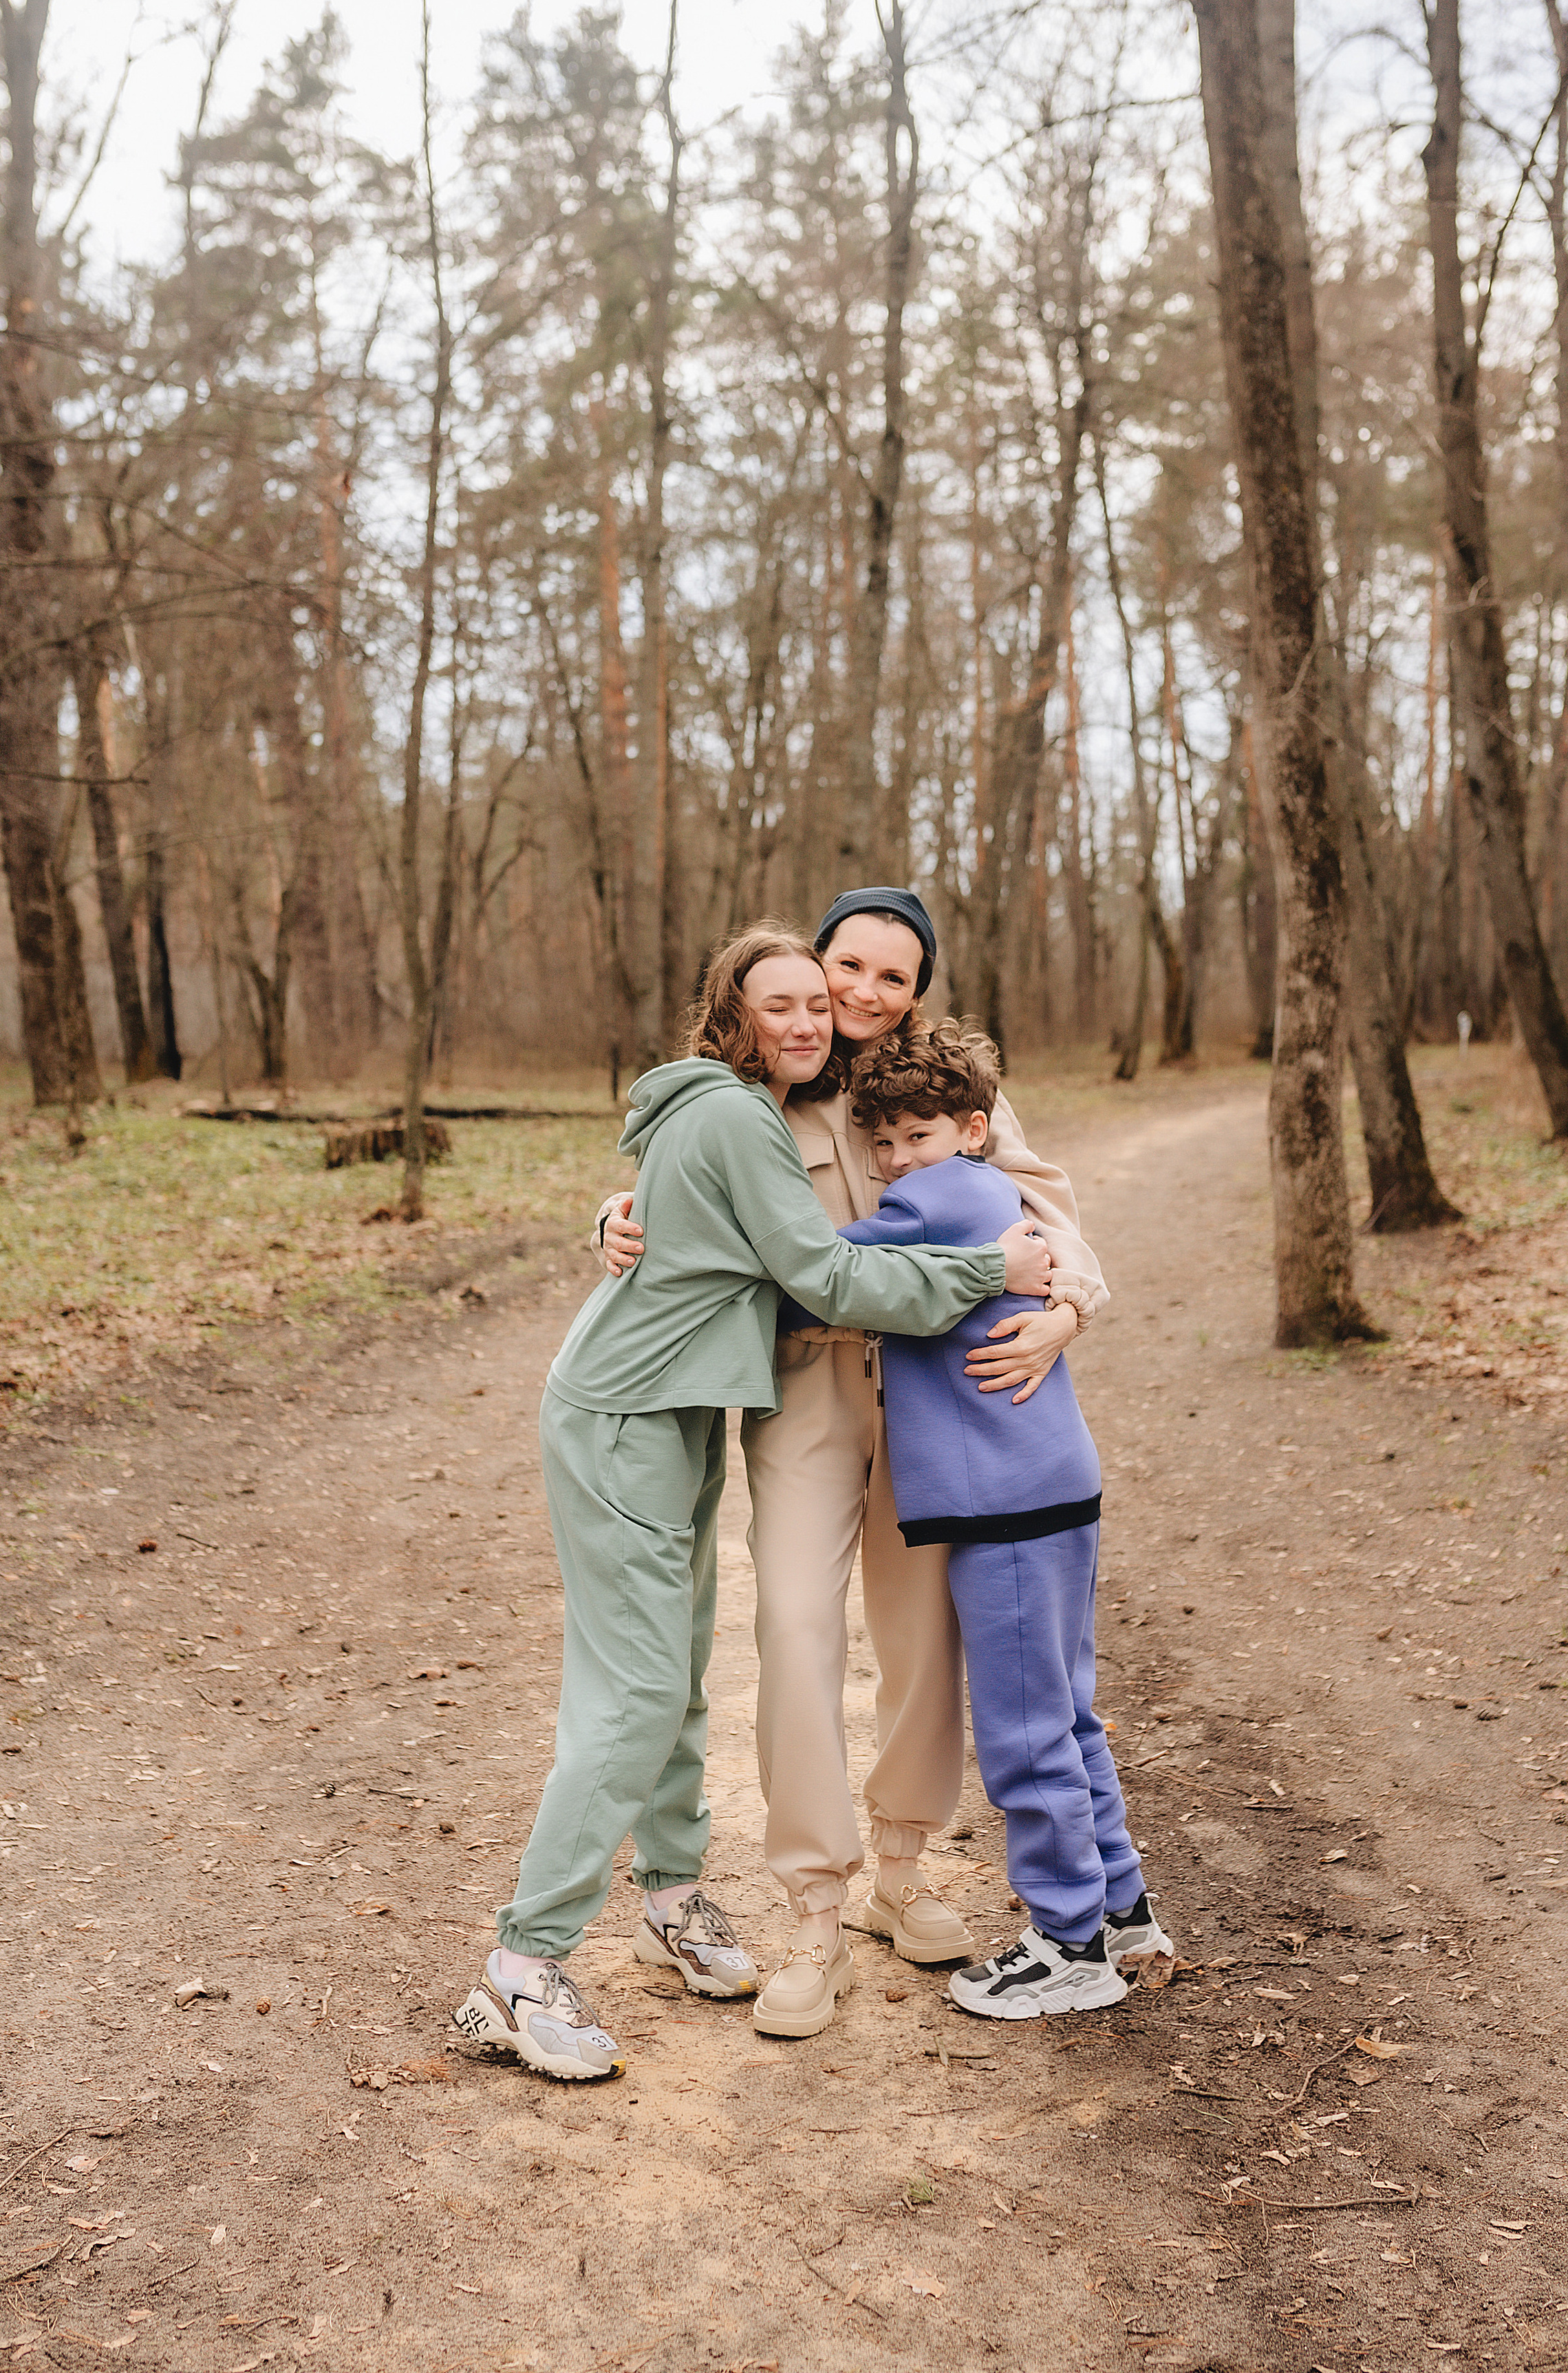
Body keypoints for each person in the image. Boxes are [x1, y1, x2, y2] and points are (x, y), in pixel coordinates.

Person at [451, 926, 1053, 2083]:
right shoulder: (737, 1113)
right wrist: (986, 1271)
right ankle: (520, 1967)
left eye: (815, 1004)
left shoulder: (808, 1099)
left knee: (674, 1673)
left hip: (684, 1411)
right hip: (640, 1408)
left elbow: (1022, 1199)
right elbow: (821, 1273)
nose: (813, 1017)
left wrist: (1060, 1293)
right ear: (732, 1017)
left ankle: (675, 1897)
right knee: (639, 1689)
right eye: (784, 1001)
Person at [595, 885, 1109, 2040]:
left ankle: (900, 1873)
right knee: (793, 1625)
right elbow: (676, 1180)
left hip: (936, 1396)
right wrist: (613, 1218)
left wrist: (1070, 1305)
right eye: (848, 967)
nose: (863, 993)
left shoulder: (947, 1088)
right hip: (804, 1387)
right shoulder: (756, 1081)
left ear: (918, 994)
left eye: (894, 977)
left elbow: (1048, 1218)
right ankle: (813, 1913)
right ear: (809, 964)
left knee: (924, 1637)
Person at [834, 1018, 1172, 2019]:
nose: (897, 1160)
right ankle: (1122, 1910)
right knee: (1067, 1711)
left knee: (1025, 1732)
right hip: (1051, 1485)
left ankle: (1069, 1945)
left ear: (975, 1128)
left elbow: (823, 1275)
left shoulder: (933, 1201)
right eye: (881, 1142)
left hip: (1006, 1504)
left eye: (919, 1135)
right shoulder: (989, 1191)